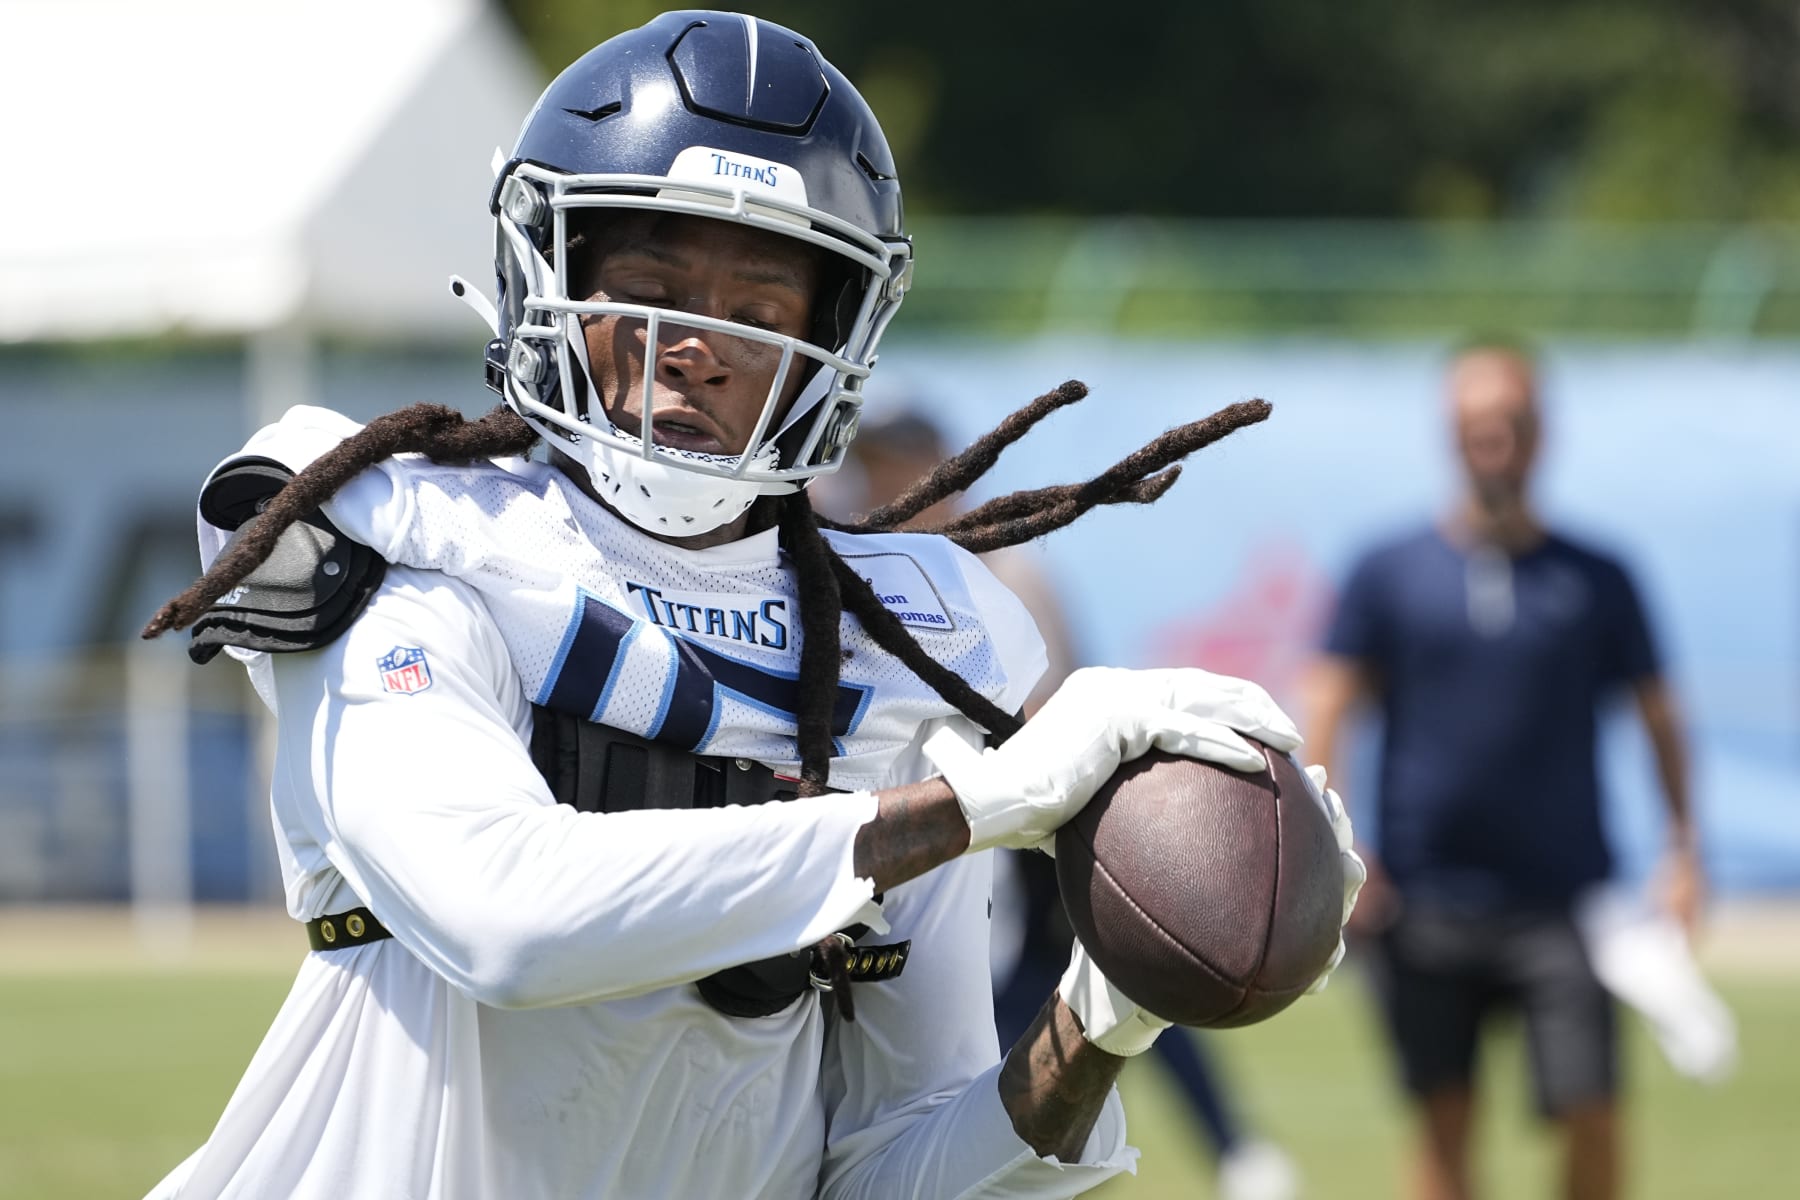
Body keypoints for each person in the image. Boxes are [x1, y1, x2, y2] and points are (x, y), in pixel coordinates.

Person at [137, 12, 1361, 1199]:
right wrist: (977, 803)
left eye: (759, 312)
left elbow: (890, 1172)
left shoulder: (900, 653)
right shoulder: (423, 542)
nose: (695, 344)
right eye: (652, 281)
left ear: (834, 344)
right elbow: (503, 920)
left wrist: (1103, 1020)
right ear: (546, 273)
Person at [832, 406, 1304, 1200]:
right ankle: (1050, 1148)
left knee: (1130, 976)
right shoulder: (854, 569)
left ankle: (1219, 1150)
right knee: (1038, 1004)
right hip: (950, 837)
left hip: (1030, 833)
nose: (891, 484)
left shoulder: (1006, 575)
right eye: (877, 466)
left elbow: (1058, 708)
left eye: (901, 464)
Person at [1302, 338, 1702, 1200]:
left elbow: (1660, 715)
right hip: (1424, 900)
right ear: (1450, 436)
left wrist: (1684, 848)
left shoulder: (1598, 578)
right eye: (1475, 427)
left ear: (1541, 433)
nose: (1495, 444)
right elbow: (1332, 704)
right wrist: (1339, 846)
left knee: (1591, 1110)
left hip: (1564, 902)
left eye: (1511, 425)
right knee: (1443, 1120)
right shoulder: (1389, 571)